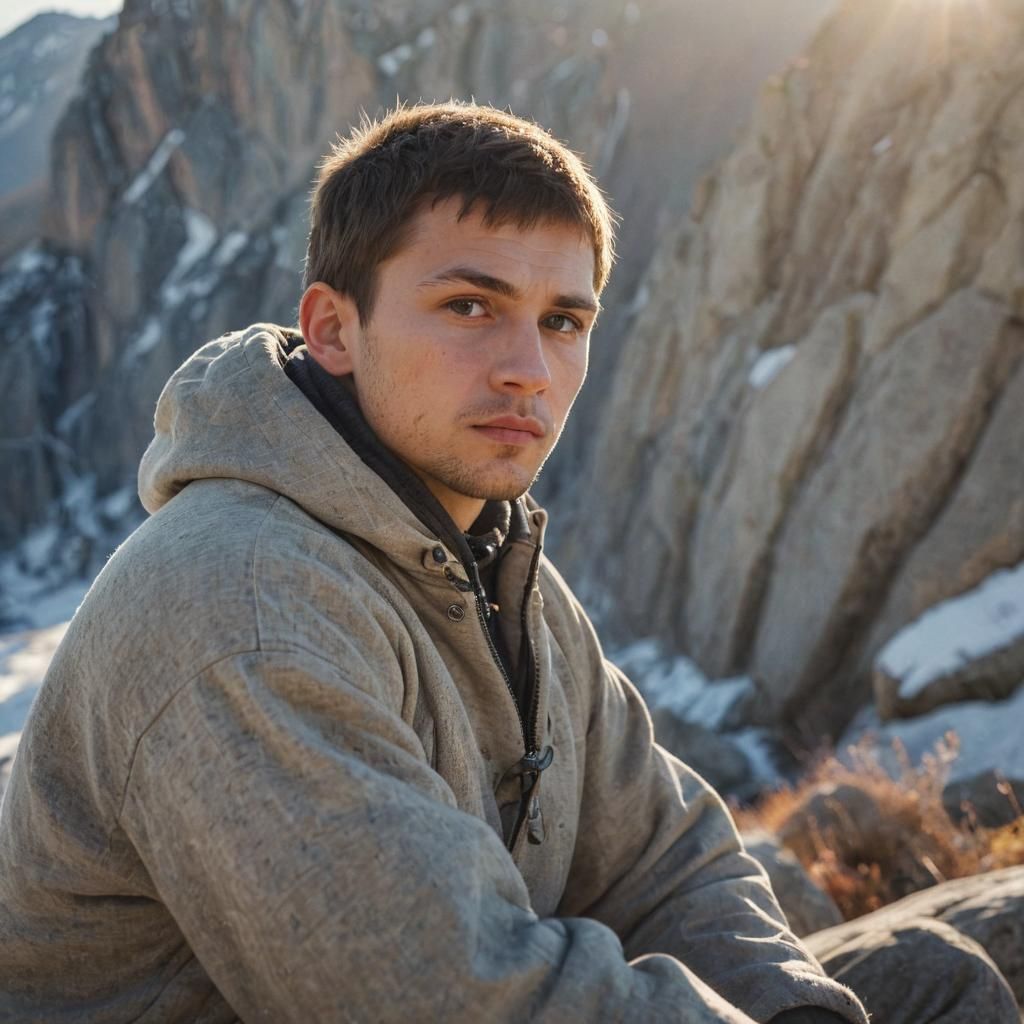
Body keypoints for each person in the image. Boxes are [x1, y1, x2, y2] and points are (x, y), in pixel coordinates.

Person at [0, 102, 869, 1023]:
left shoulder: (493, 558)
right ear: (333, 330)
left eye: (564, 321)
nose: (528, 369)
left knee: (936, 976)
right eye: (470, 306)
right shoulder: (240, 607)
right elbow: (441, 998)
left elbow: (663, 862)